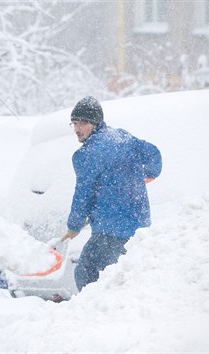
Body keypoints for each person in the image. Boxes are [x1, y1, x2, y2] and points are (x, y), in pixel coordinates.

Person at [61, 96, 162, 292]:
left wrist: (74, 225)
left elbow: (83, 194)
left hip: (111, 230)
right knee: (122, 280)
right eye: (74, 123)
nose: (77, 128)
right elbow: (154, 155)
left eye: (83, 123)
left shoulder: (85, 155)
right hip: (140, 229)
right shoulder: (123, 137)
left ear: (95, 123)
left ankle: (94, 316)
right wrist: (148, 174)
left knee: (86, 273)